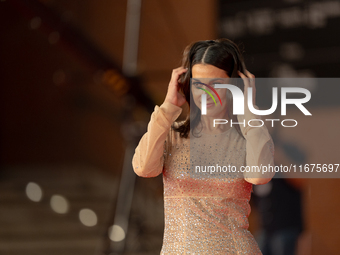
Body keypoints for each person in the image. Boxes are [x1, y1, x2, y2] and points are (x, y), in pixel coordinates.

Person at [132, 38, 275, 254]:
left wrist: (250, 112)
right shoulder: (172, 134)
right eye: (199, 84)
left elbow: (260, 175)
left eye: (217, 84)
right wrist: (168, 107)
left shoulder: (247, 136)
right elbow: (143, 167)